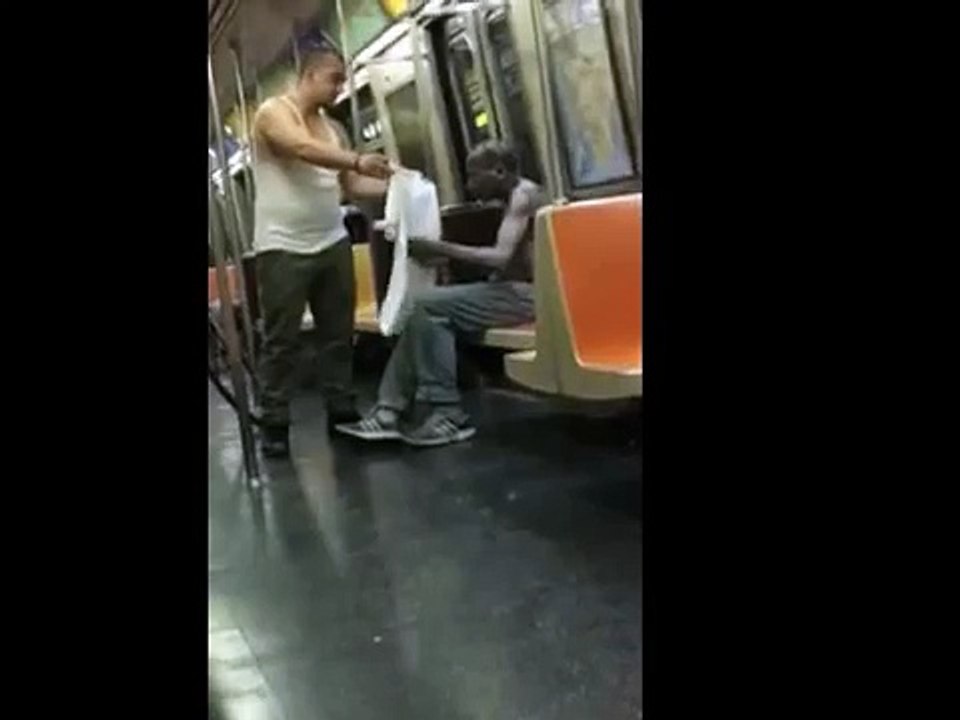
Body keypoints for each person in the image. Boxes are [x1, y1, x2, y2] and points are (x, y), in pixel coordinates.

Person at [336, 141, 546, 447]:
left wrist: (438, 248)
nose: (469, 184)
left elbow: (500, 258)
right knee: (424, 312)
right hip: (512, 291)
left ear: (499, 172)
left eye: (475, 176)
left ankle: (445, 412)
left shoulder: (523, 196)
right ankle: (389, 413)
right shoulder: (511, 197)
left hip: (533, 296)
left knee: (426, 305)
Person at [251, 37, 392, 458]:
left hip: (331, 239)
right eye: (333, 80)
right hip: (282, 245)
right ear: (309, 75)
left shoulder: (335, 129)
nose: (339, 89)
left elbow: (350, 187)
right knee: (283, 339)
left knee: (337, 332)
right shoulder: (273, 113)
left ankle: (341, 408)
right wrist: (355, 160)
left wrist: (397, 185)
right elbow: (299, 148)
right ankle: (274, 419)